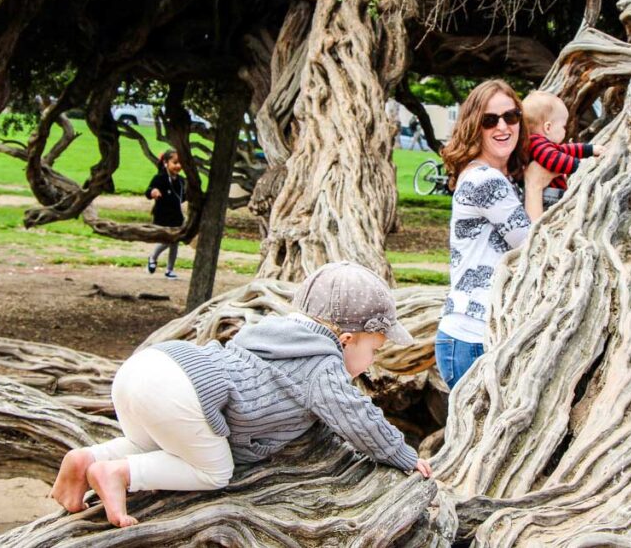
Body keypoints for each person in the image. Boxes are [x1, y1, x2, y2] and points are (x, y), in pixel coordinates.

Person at [48, 261, 433, 528]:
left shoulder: (268, 332)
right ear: (346, 339)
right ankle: (119, 473)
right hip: (185, 391)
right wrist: (400, 454)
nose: (371, 361)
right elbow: (357, 416)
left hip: (148, 367)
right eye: (374, 349)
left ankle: (89, 460)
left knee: (157, 444)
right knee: (213, 471)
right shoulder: (320, 364)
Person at [436, 79, 551, 390]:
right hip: (472, 340)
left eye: (511, 117)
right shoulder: (485, 180)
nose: (502, 127)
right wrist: (536, 186)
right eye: (490, 120)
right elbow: (533, 247)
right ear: (475, 127)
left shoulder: (496, 176)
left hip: (475, 336)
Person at [522, 91, 606, 208]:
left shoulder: (543, 144)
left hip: (552, 194)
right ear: (548, 127)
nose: (565, 131)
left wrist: (590, 149)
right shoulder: (536, 143)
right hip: (547, 197)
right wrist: (580, 165)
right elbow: (554, 159)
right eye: (563, 126)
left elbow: (565, 149)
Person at [146, 149, 186, 278]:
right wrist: (153, 192)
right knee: (169, 239)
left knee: (175, 242)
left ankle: (169, 270)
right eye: (175, 162)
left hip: (176, 215)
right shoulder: (160, 178)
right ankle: (153, 257)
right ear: (165, 163)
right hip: (163, 215)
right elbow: (149, 191)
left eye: (180, 163)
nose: (178, 166)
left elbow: (182, 197)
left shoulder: (181, 181)